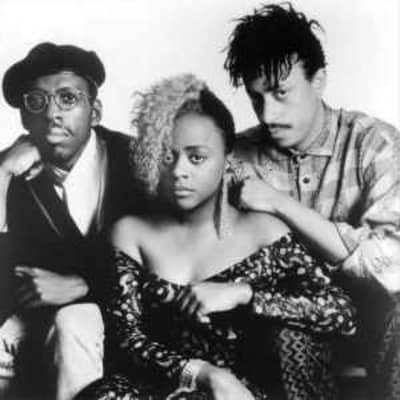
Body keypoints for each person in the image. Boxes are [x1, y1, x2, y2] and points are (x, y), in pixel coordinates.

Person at [76, 74, 355, 400]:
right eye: (167, 156)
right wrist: (204, 374)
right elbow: (127, 339)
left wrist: (244, 294)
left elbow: (341, 313)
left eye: (196, 157)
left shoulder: (264, 232)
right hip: (164, 385)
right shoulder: (130, 233)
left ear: (227, 160)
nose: (179, 171)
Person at [224, 3, 400, 399]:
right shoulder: (237, 158)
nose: (268, 114)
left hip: (379, 322)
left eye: (281, 93)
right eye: (256, 98)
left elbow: (392, 265)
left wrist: (279, 204)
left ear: (318, 80)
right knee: (283, 332)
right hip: (284, 325)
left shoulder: (375, 145)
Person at [0, 42, 141, 400]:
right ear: (23, 118)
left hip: (136, 320)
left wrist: (85, 286)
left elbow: (173, 259)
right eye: (37, 101)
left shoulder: (138, 162)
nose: (52, 113)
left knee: (74, 322)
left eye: (67, 99)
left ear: (95, 112)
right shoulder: (11, 172)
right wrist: (2, 173)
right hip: (43, 331)